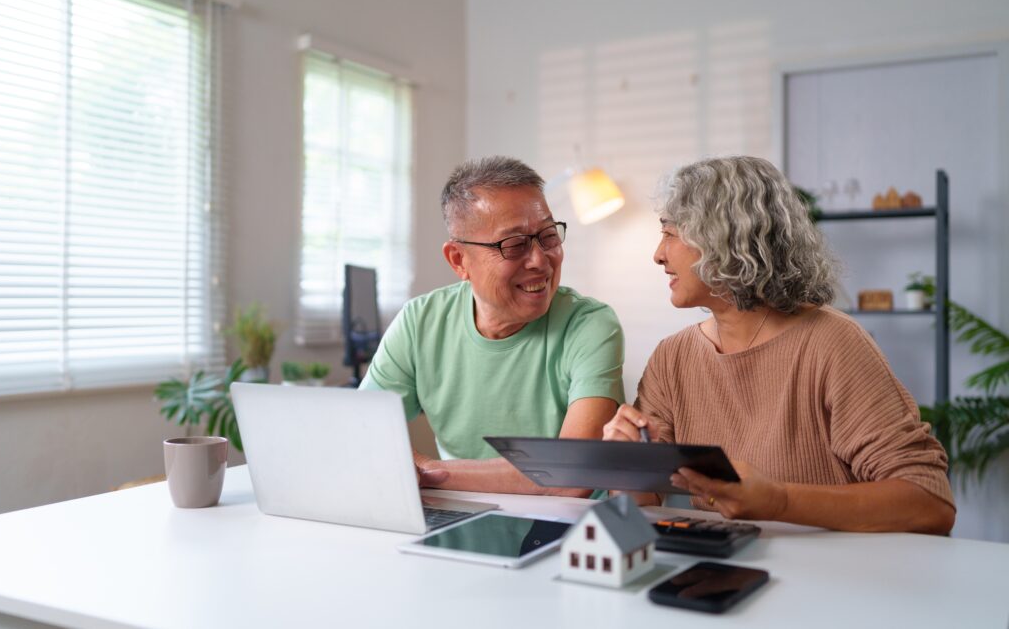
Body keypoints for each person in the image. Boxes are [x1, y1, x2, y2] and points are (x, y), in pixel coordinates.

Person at [603, 156, 955, 534]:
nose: (658, 254)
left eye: (671, 233)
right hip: (722, 568)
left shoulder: (833, 343)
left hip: (835, 570)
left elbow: (929, 503)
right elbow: (639, 509)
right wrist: (626, 465)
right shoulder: (672, 358)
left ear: (726, 238)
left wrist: (779, 502)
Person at [361, 156, 625, 494]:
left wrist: (428, 471)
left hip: (566, 523)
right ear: (459, 260)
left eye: (548, 236)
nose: (540, 260)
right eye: (514, 245)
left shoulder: (590, 324)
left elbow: (572, 475)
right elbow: (362, 430)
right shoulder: (419, 322)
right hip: (462, 516)